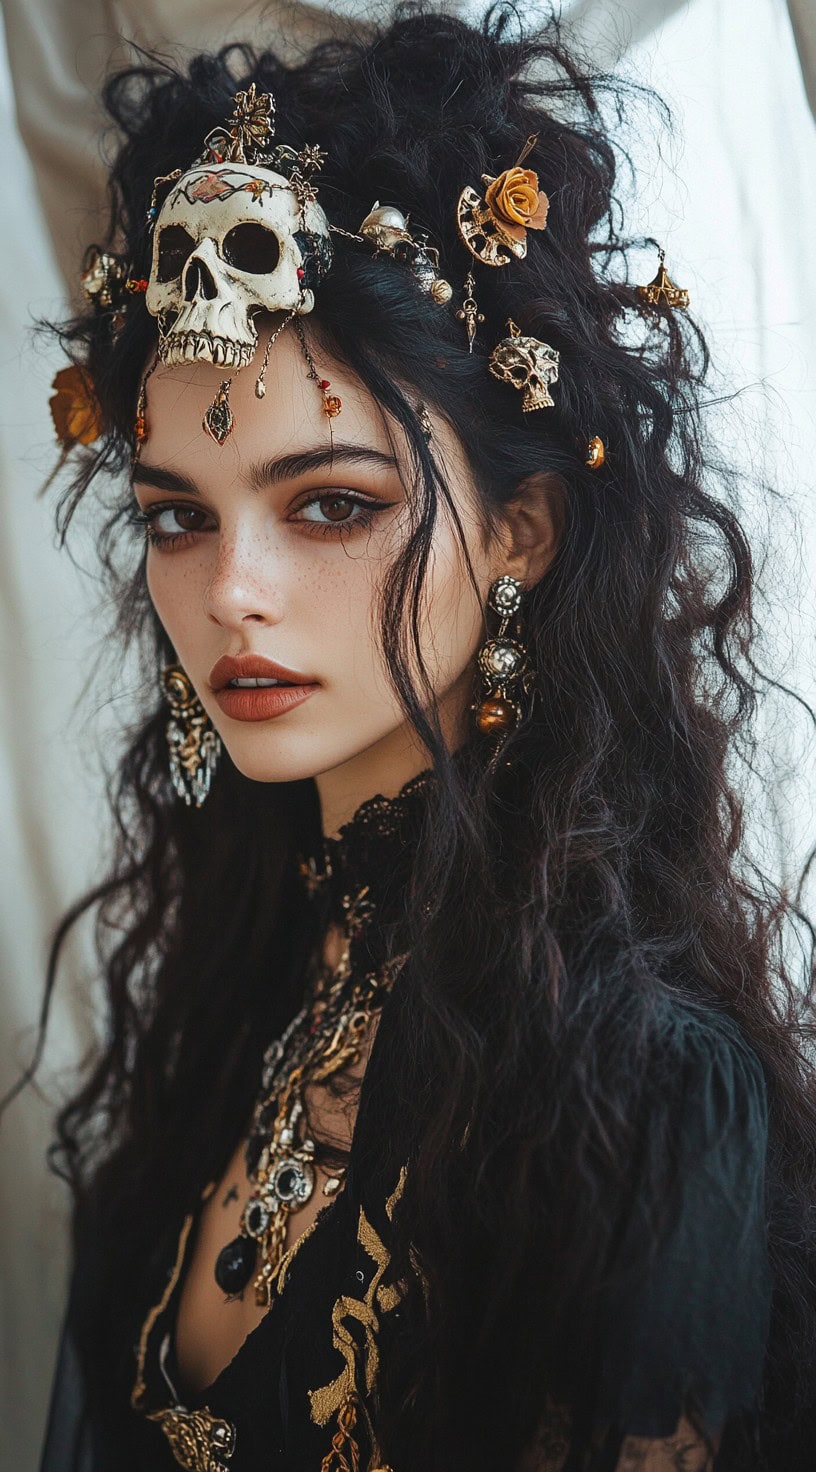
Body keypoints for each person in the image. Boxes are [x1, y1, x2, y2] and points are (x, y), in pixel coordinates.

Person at [9, 4, 816, 1469]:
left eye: (331, 504)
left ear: (520, 530)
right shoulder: (229, 986)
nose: (228, 593)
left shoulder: (650, 1104)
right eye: (178, 515)